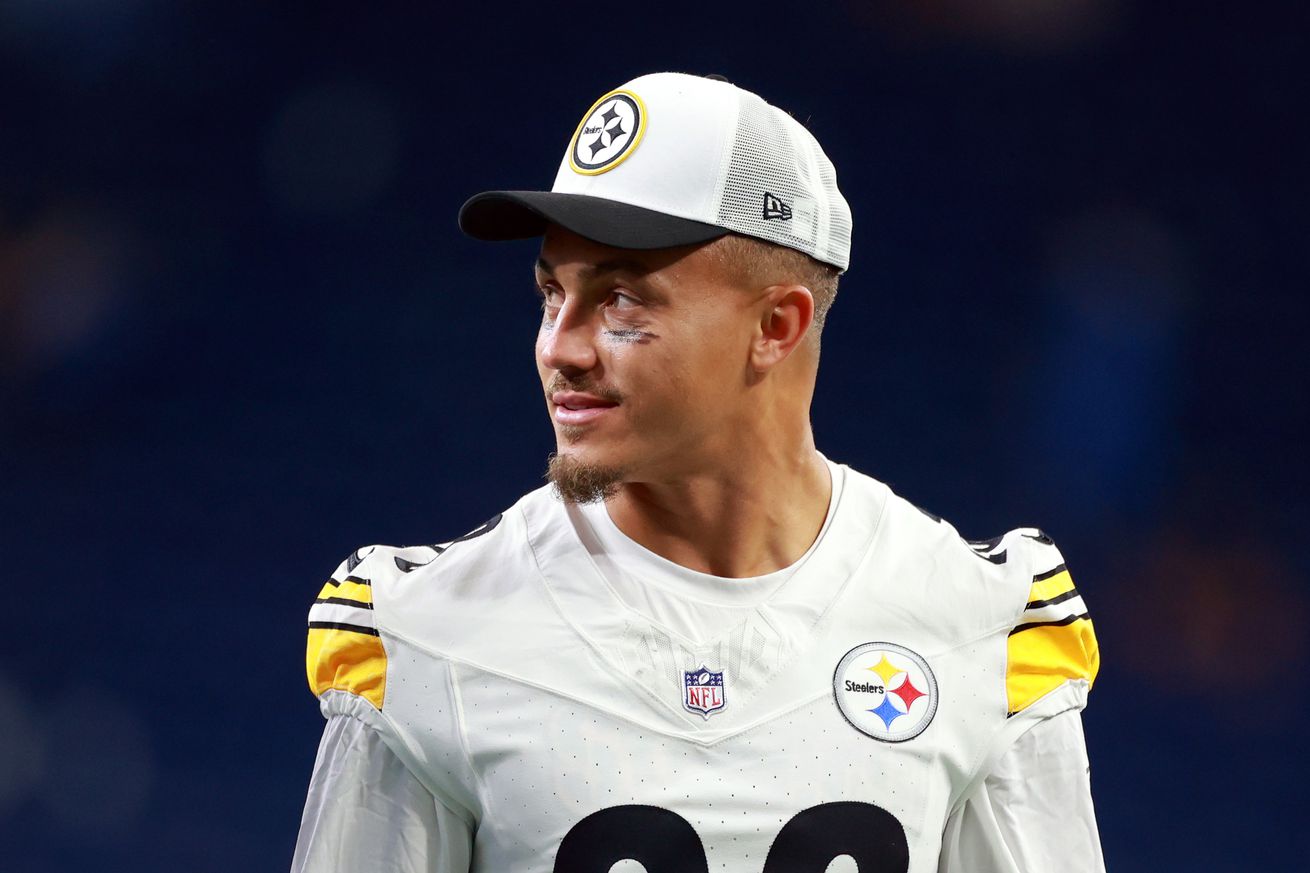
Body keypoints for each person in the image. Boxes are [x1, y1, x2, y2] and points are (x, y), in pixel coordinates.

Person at [291, 72, 1104, 873]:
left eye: (620, 300)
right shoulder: (431, 630)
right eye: (551, 293)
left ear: (776, 325)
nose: (560, 348)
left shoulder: (977, 622)